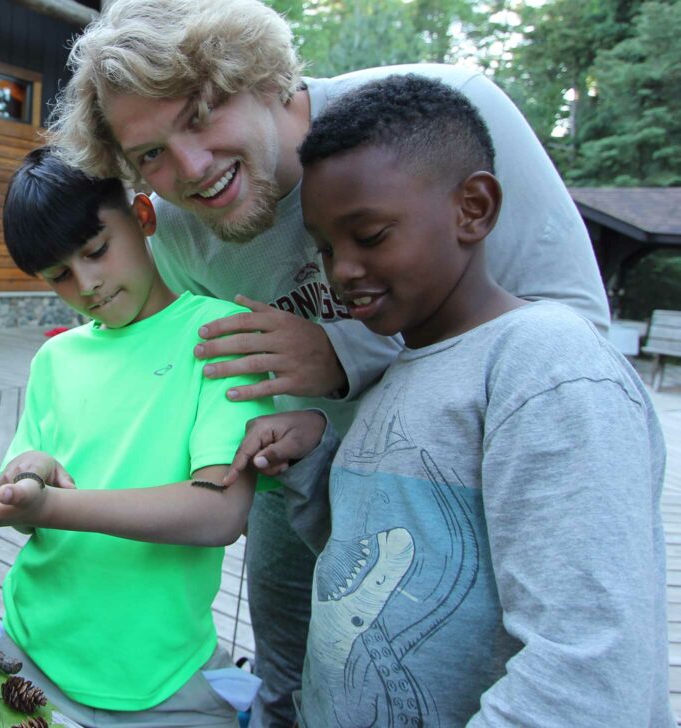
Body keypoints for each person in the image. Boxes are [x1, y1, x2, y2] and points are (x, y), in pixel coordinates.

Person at [46, 1, 612, 723]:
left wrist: (342, 354)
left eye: (201, 112)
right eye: (150, 154)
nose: (189, 169)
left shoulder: (444, 118)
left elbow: (577, 332)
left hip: (474, 494)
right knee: (293, 677)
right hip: (301, 482)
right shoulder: (179, 232)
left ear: (260, 75)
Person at [228, 74, 671, 726]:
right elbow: (395, 557)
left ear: (474, 208)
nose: (341, 270)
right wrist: (314, 461)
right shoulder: (399, 374)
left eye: (371, 235)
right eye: (326, 248)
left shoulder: (550, 368)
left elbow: (587, 672)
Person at [0, 147, 273, 727]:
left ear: (143, 216)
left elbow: (218, 514)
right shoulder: (56, 357)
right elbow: (27, 505)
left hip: (163, 675)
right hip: (26, 648)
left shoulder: (219, 336)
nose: (86, 284)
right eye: (59, 274)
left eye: (96, 250)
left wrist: (55, 504)